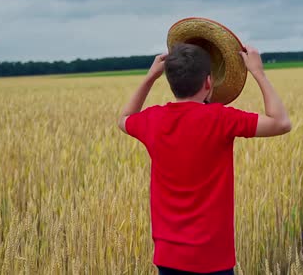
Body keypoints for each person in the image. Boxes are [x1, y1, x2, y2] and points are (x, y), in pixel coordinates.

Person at [118, 43, 291, 274]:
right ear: (208, 82)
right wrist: (258, 73)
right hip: (213, 258)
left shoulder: (153, 119)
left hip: (168, 256)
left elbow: (125, 118)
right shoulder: (220, 119)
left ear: (169, 82)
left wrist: (150, 76)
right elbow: (281, 123)